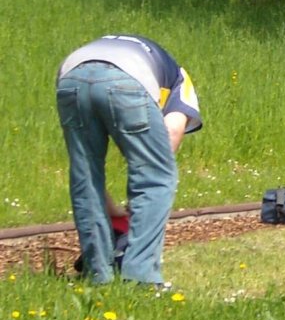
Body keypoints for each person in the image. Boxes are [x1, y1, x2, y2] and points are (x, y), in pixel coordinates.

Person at [55, 34, 202, 287]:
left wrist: (113, 209)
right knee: (158, 178)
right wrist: (138, 207)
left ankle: (98, 274)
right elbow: (171, 132)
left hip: (71, 74)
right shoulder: (180, 79)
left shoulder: (155, 62)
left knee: (85, 173)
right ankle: (140, 278)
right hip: (127, 79)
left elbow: (89, 176)